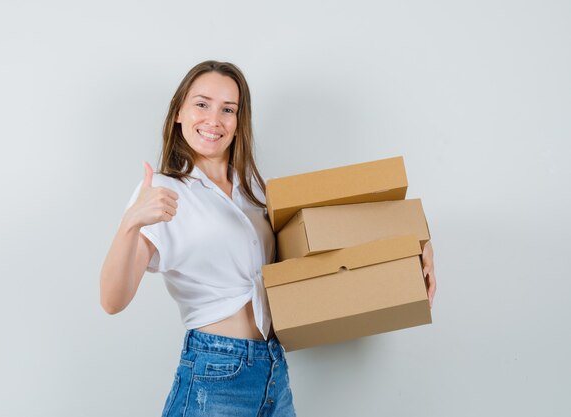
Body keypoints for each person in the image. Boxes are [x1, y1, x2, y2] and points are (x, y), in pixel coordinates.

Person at [99, 60, 437, 417]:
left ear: (238, 121)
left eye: (228, 109)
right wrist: (131, 224)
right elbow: (112, 300)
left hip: (273, 368)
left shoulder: (254, 190)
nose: (214, 119)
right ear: (179, 111)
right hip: (215, 371)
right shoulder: (163, 190)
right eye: (201, 104)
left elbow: (321, 249)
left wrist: (413, 246)